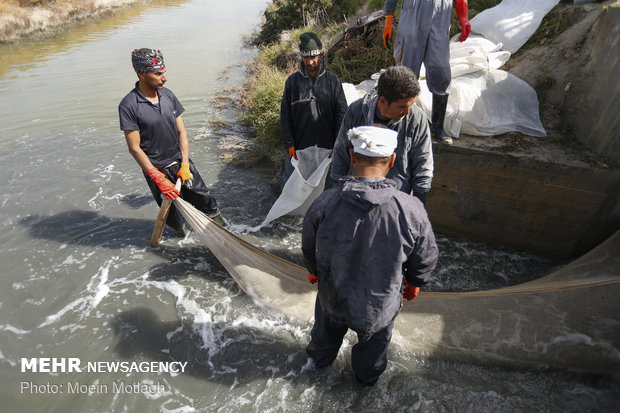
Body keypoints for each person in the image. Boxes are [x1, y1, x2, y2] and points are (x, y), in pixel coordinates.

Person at [302, 125, 439, 386]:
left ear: (352, 157)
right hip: (379, 306)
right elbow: (426, 255)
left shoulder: (325, 202)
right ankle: (364, 385)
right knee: (370, 364)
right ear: (393, 161)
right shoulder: (411, 209)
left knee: (322, 347)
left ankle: (316, 370)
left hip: (333, 296)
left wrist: (314, 270)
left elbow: (309, 245)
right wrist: (415, 282)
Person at [118, 48, 224, 237]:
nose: (164, 78)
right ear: (142, 74)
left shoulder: (167, 95)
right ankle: (183, 242)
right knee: (174, 215)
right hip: (157, 171)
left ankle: (224, 233)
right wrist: (158, 178)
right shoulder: (129, 105)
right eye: (158, 73)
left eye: (164, 72)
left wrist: (185, 164)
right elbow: (134, 148)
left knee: (205, 200)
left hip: (181, 164)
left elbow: (181, 131)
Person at [330, 65, 433, 205]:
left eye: (411, 105)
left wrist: (419, 205)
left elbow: (423, 163)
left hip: (397, 202)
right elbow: (341, 154)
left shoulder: (416, 118)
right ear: (383, 102)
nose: (408, 112)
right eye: (403, 107)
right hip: (359, 199)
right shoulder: (356, 112)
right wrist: (336, 196)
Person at [382, 0, 471, 145]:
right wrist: (388, 20)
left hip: (441, 15)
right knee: (405, 75)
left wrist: (464, 17)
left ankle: (437, 128)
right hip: (413, 14)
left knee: (441, 73)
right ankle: (401, 127)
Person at [280, 32, 348, 188]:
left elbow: (342, 115)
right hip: (299, 149)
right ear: (301, 58)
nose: (310, 62)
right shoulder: (292, 83)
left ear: (321, 55)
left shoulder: (332, 81)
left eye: (313, 57)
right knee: (291, 186)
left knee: (328, 187)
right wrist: (289, 144)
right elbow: (285, 116)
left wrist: (338, 144)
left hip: (328, 149)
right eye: (306, 58)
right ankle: (293, 213)